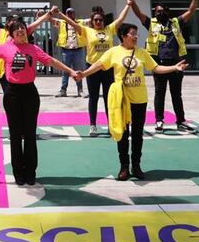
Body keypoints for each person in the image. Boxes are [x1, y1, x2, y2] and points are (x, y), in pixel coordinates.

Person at [0, 19, 80, 186]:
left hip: (30, 93)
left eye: (23, 29)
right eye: (17, 30)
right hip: (12, 94)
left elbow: (51, 61)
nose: (21, 32)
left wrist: (71, 71)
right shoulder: (5, 47)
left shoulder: (33, 49)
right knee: (15, 135)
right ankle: (18, 172)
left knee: (29, 134)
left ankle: (30, 171)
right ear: (12, 34)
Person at [78, 23, 188, 180]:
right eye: (133, 34)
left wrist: (174, 68)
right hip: (122, 100)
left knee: (137, 134)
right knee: (122, 133)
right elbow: (99, 65)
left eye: (136, 34)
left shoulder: (142, 53)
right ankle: (124, 167)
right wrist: (84, 74)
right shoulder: (114, 52)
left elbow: (156, 68)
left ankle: (136, 165)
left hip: (139, 99)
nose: (136, 37)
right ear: (123, 36)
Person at [55, 0, 132, 136]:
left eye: (100, 20)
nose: (98, 22)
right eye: (95, 20)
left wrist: (128, 4)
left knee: (109, 98)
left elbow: (121, 19)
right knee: (94, 97)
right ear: (92, 21)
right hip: (92, 69)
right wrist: (60, 13)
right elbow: (72, 23)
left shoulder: (110, 29)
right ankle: (93, 125)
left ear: (103, 20)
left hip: (107, 69)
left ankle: (111, 125)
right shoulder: (87, 31)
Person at [129, 0, 199, 133]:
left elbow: (190, 12)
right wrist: (132, 3)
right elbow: (138, 14)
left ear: (167, 12)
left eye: (161, 11)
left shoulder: (176, 22)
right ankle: (159, 120)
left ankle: (180, 121)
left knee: (176, 94)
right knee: (159, 93)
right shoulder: (151, 23)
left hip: (176, 64)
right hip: (159, 64)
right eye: (156, 11)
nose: (158, 13)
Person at [55, 6, 85, 98]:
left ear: (74, 14)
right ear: (66, 14)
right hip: (66, 51)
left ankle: (80, 90)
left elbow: (90, 21)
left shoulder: (80, 22)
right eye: (68, 12)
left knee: (78, 71)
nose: (69, 14)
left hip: (78, 50)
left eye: (71, 12)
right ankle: (63, 90)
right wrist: (42, 15)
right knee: (65, 71)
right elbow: (51, 19)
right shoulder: (61, 22)